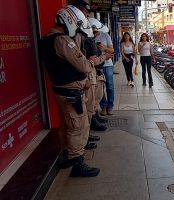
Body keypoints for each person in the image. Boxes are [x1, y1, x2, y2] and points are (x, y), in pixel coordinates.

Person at [39, 5, 100, 177]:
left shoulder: (45, 40)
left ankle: (66, 156)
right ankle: (77, 163)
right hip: (71, 92)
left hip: (59, 90)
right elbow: (84, 65)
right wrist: (92, 61)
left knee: (66, 125)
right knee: (76, 127)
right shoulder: (64, 41)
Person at [73, 0, 109, 148]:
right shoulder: (74, 37)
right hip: (84, 77)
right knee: (85, 111)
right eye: (85, 12)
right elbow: (86, 60)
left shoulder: (84, 37)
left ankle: (85, 137)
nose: (87, 15)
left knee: (93, 103)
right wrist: (103, 58)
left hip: (90, 74)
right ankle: (82, 143)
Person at [94, 24, 115, 116]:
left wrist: (104, 48)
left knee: (109, 86)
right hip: (97, 65)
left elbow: (112, 50)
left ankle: (110, 107)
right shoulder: (89, 37)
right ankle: (104, 107)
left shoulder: (105, 35)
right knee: (100, 87)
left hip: (107, 65)